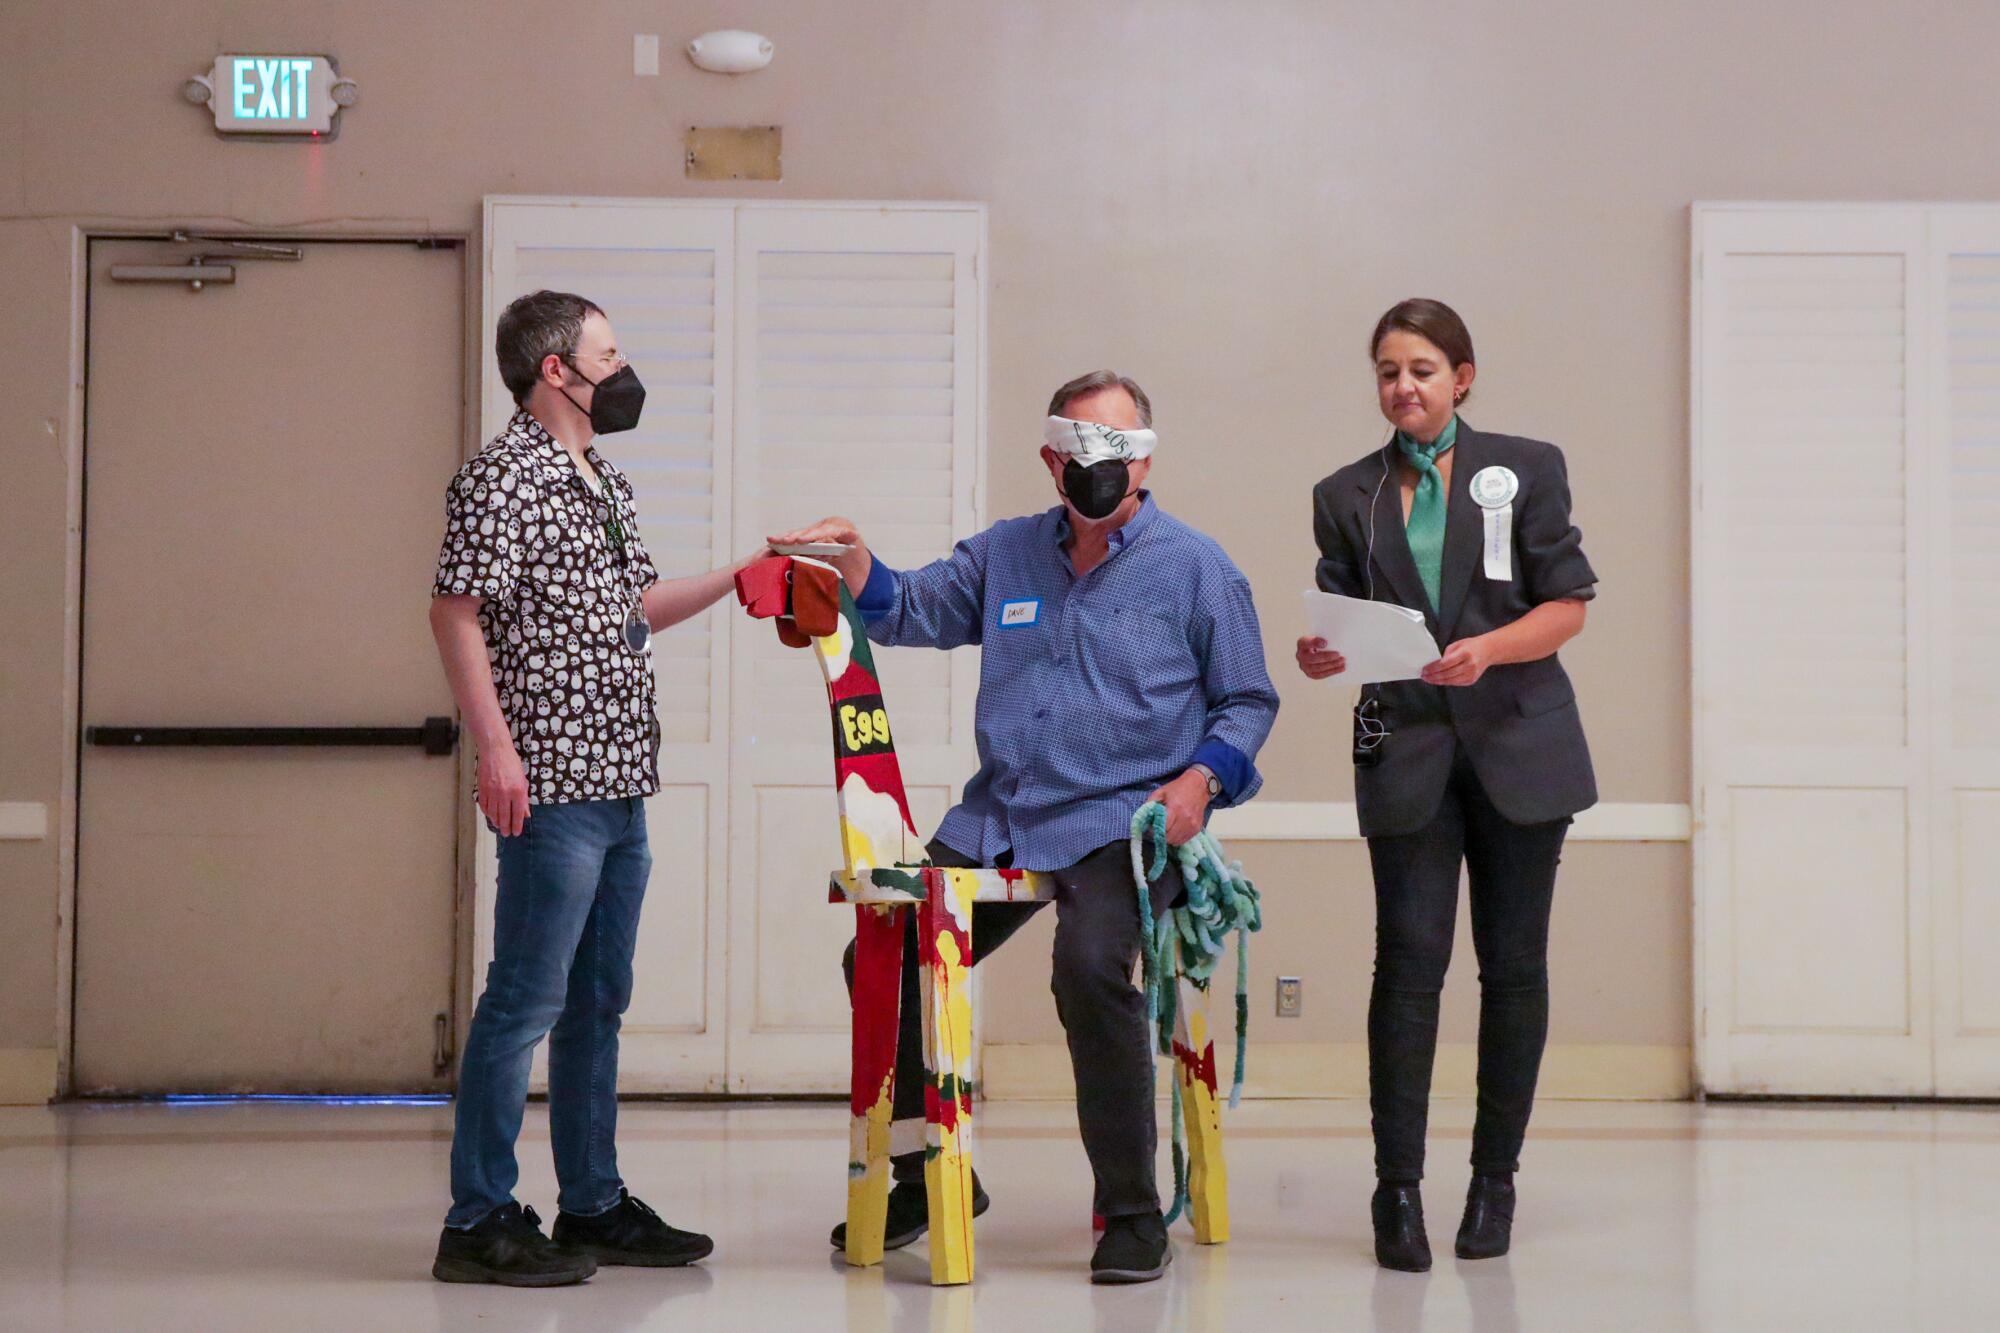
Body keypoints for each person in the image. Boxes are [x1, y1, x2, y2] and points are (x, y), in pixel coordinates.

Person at [773, 370, 1279, 1284]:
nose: (1099, 466)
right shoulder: (1006, 553)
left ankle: (1130, 1213)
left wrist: (1203, 778)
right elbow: (913, 608)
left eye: (1117, 450)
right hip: (1000, 811)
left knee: (1088, 967)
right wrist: (857, 563)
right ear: (1051, 458)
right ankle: (937, 1180)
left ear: (1146, 458)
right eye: (1080, 449)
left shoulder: (1199, 567)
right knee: (878, 955)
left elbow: (1247, 699)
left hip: (1122, 821)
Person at [429, 289, 762, 1286]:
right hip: (552, 784)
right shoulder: (502, 478)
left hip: (621, 783)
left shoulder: (601, 479)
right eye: (608, 355)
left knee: (595, 1003)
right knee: (522, 1003)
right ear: (556, 372)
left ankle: (592, 1203)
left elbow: (636, 607)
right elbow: (454, 614)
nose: (623, 371)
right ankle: (478, 1217)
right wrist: (495, 749)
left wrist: (742, 574)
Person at [1296, 299, 1597, 1272]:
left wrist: (1488, 650)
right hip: (1409, 755)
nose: (1402, 387)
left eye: (1422, 368)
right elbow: (1343, 623)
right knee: (1407, 967)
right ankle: (1395, 1192)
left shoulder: (1527, 467)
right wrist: (1319, 651)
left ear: (1461, 376)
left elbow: (1565, 608)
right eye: (1387, 370)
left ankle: (1492, 1180)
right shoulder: (1345, 493)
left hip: (1519, 749)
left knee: (1512, 971)